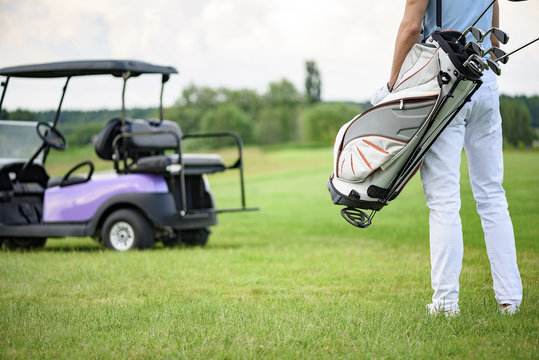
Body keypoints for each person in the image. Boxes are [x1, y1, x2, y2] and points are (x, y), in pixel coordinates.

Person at [371, 0, 522, 316]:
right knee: (493, 195)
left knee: (443, 200)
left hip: (446, 80)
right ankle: (510, 300)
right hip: (484, 80)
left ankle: (445, 304)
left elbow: (411, 27)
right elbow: (494, 40)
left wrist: (392, 86)